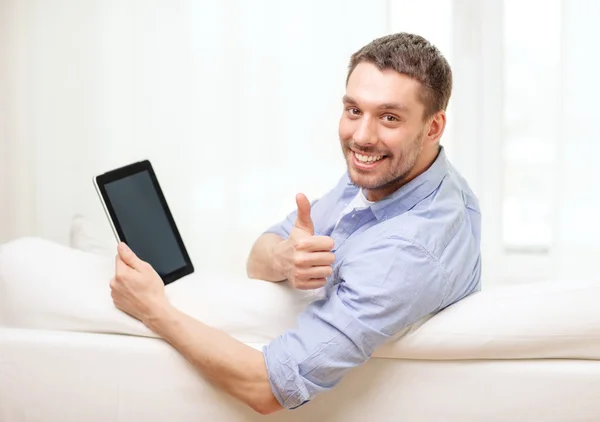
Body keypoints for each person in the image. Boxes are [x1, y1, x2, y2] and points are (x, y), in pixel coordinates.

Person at [109, 32, 482, 415]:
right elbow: (257, 259)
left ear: (434, 127)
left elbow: (266, 389)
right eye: (354, 110)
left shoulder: (408, 252)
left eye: (389, 117)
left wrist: (154, 309)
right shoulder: (392, 172)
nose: (362, 137)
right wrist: (284, 259)